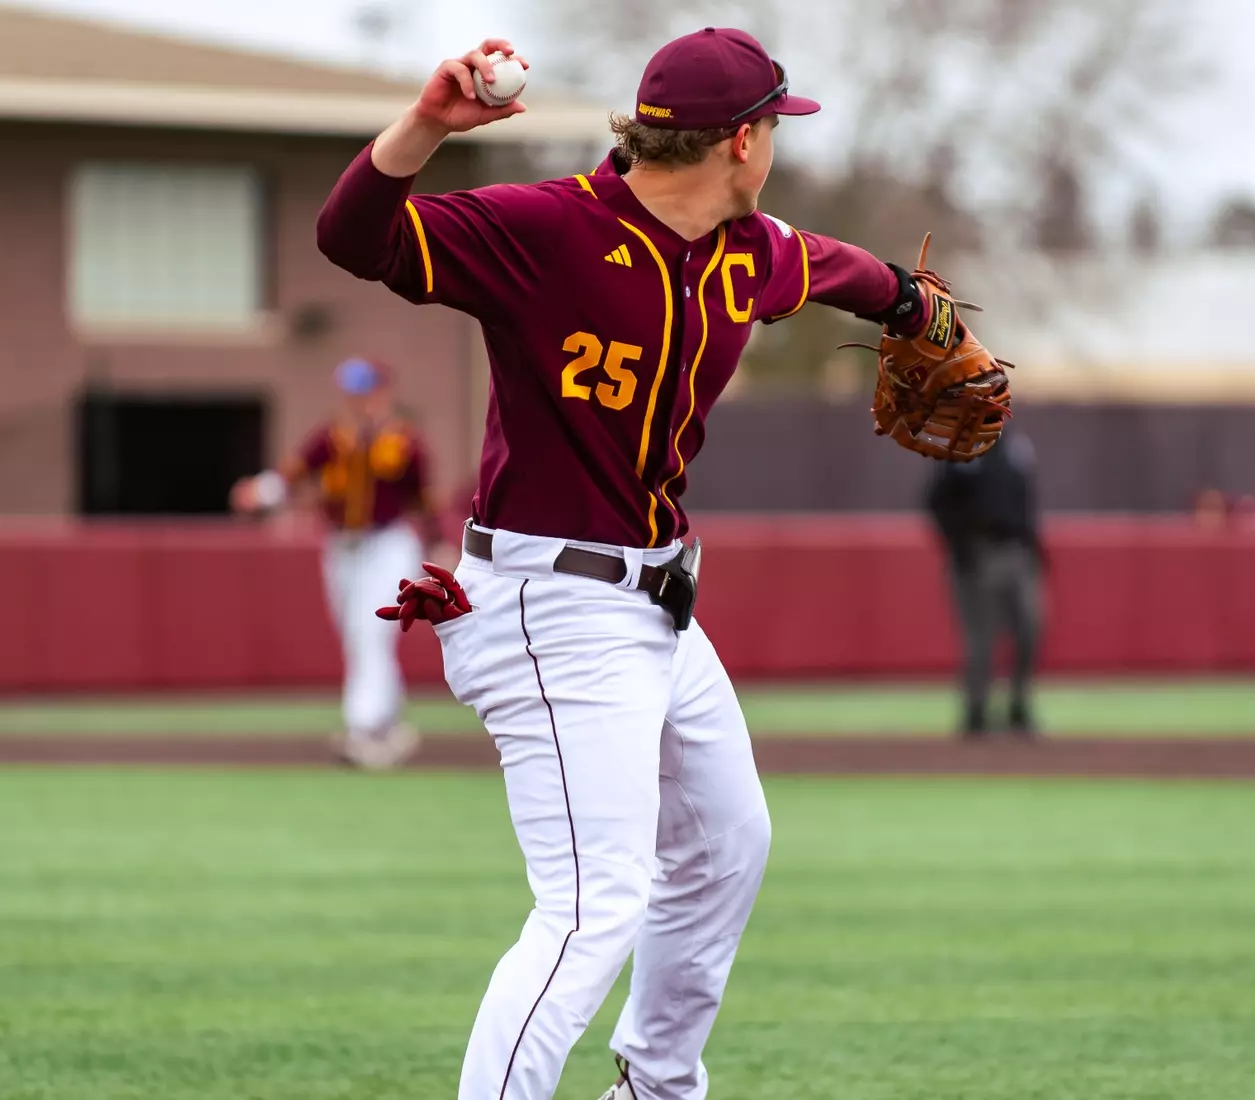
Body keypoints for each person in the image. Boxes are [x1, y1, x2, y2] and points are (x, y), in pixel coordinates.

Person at [316, 29, 966, 1100]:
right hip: (549, 599)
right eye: (776, 129)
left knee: (727, 842)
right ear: (745, 140)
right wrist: (428, 124)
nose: (778, 151)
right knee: (590, 905)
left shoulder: (744, 247)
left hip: (656, 604)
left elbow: (835, 266)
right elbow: (355, 237)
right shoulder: (546, 226)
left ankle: (656, 1088)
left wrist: (908, 298)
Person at [230, 357, 439, 769]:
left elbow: (424, 501)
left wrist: (438, 546)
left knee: (369, 632)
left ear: (383, 392)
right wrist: (260, 493)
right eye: (352, 391)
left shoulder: (404, 441)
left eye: (365, 390)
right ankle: (389, 726)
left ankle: (361, 728)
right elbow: (291, 475)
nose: (357, 399)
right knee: (357, 636)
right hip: (343, 546)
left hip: (389, 544)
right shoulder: (333, 436)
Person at [924, 423, 1045, 737]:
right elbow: (937, 501)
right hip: (979, 553)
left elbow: (1026, 501)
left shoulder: (1017, 446)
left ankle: (1018, 706)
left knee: (1029, 629)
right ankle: (976, 711)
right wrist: (961, 547)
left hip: (1018, 551)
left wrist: (1034, 547)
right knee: (981, 639)